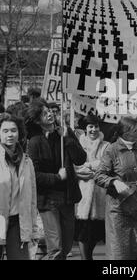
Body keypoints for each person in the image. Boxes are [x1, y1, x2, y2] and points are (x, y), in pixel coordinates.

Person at [25, 100, 87, 260]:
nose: (50, 114)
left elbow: (80, 159)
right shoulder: (35, 142)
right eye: (45, 113)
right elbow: (34, 175)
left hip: (68, 197)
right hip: (48, 200)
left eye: (50, 111)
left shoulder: (65, 133)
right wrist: (57, 177)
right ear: (38, 120)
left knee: (66, 247)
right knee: (56, 247)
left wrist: (67, 138)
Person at [94, 116, 137, 260]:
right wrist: (114, 181)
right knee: (120, 254)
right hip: (119, 209)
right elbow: (99, 175)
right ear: (124, 131)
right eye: (135, 130)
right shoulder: (112, 149)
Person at [0, 113, 38, 260]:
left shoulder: (27, 162)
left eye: (13, 130)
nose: (10, 134)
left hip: (18, 223)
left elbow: (32, 199)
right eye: (5, 131)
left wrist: (33, 230)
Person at [74, 115, 110, 260]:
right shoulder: (77, 144)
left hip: (99, 195)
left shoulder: (106, 145)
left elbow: (105, 165)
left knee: (95, 233)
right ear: (85, 128)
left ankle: (87, 257)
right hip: (81, 194)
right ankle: (85, 258)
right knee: (83, 233)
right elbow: (75, 166)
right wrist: (85, 169)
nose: (93, 129)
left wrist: (88, 165)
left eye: (96, 126)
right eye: (90, 126)